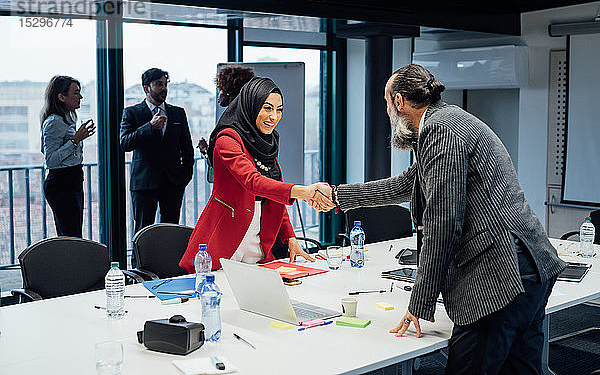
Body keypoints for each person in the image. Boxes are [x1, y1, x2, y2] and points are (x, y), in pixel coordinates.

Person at [314, 64, 567, 374]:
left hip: (500, 275)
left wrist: (420, 301)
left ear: (399, 102)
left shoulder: (440, 130)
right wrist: (338, 195)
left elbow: (443, 223)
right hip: (529, 268)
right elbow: (406, 185)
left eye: (386, 102)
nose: (388, 113)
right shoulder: (448, 122)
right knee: (520, 370)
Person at [179, 77, 326, 272]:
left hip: (257, 245)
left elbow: (273, 193)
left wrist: (290, 237)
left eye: (279, 109)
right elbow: (252, 182)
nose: (273, 116)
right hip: (224, 241)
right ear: (251, 105)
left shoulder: (266, 142)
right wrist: (304, 192)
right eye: (267, 108)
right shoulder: (227, 139)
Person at [120, 68, 194, 235]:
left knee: (171, 230)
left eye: (165, 84)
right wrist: (149, 127)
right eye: (159, 84)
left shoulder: (178, 113)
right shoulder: (132, 113)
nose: (164, 88)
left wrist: (184, 176)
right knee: (143, 231)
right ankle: (139, 262)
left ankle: (168, 261)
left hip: (173, 182)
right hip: (144, 183)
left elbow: (187, 149)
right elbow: (124, 143)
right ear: (147, 88)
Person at [41, 75, 95, 238]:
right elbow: (50, 160)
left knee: (73, 234)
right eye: (76, 93)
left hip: (72, 180)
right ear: (61, 96)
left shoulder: (68, 118)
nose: (80, 97)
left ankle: (73, 263)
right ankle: (70, 263)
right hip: (62, 184)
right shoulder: (54, 122)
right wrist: (75, 140)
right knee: (70, 235)